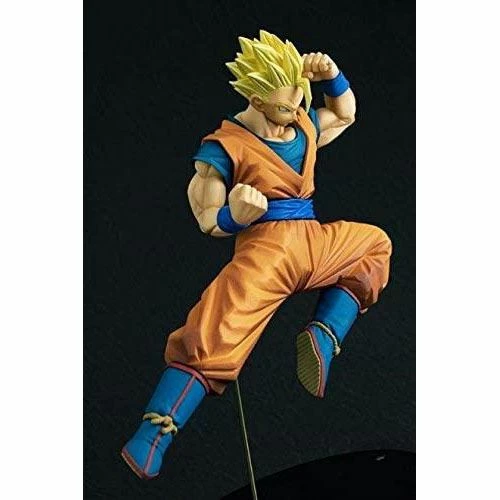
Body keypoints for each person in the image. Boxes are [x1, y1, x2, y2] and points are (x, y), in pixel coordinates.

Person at [122, 30, 392, 479]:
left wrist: (332, 75)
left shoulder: (302, 124)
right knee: (215, 328)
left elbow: (344, 114)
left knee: (373, 244)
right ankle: (155, 432)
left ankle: (323, 336)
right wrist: (235, 215)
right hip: (267, 253)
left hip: (314, 240)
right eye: (285, 107)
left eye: (300, 101)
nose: (294, 114)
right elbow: (206, 217)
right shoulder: (223, 149)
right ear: (256, 97)